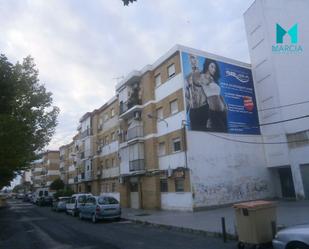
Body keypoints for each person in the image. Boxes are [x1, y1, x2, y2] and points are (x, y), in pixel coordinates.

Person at [200, 59, 228, 132]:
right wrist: (209, 78)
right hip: (213, 112)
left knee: (226, 133)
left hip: (223, 111)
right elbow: (205, 82)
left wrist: (225, 104)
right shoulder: (202, 76)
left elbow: (218, 94)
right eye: (212, 66)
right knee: (220, 131)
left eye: (215, 68)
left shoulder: (214, 80)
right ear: (207, 66)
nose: (214, 69)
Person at [185, 54, 209, 131]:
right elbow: (187, 97)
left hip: (203, 109)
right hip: (193, 111)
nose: (194, 60)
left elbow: (210, 94)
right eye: (192, 58)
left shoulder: (203, 74)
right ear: (189, 60)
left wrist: (211, 115)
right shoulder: (188, 77)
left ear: (198, 60)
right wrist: (184, 114)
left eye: (195, 58)